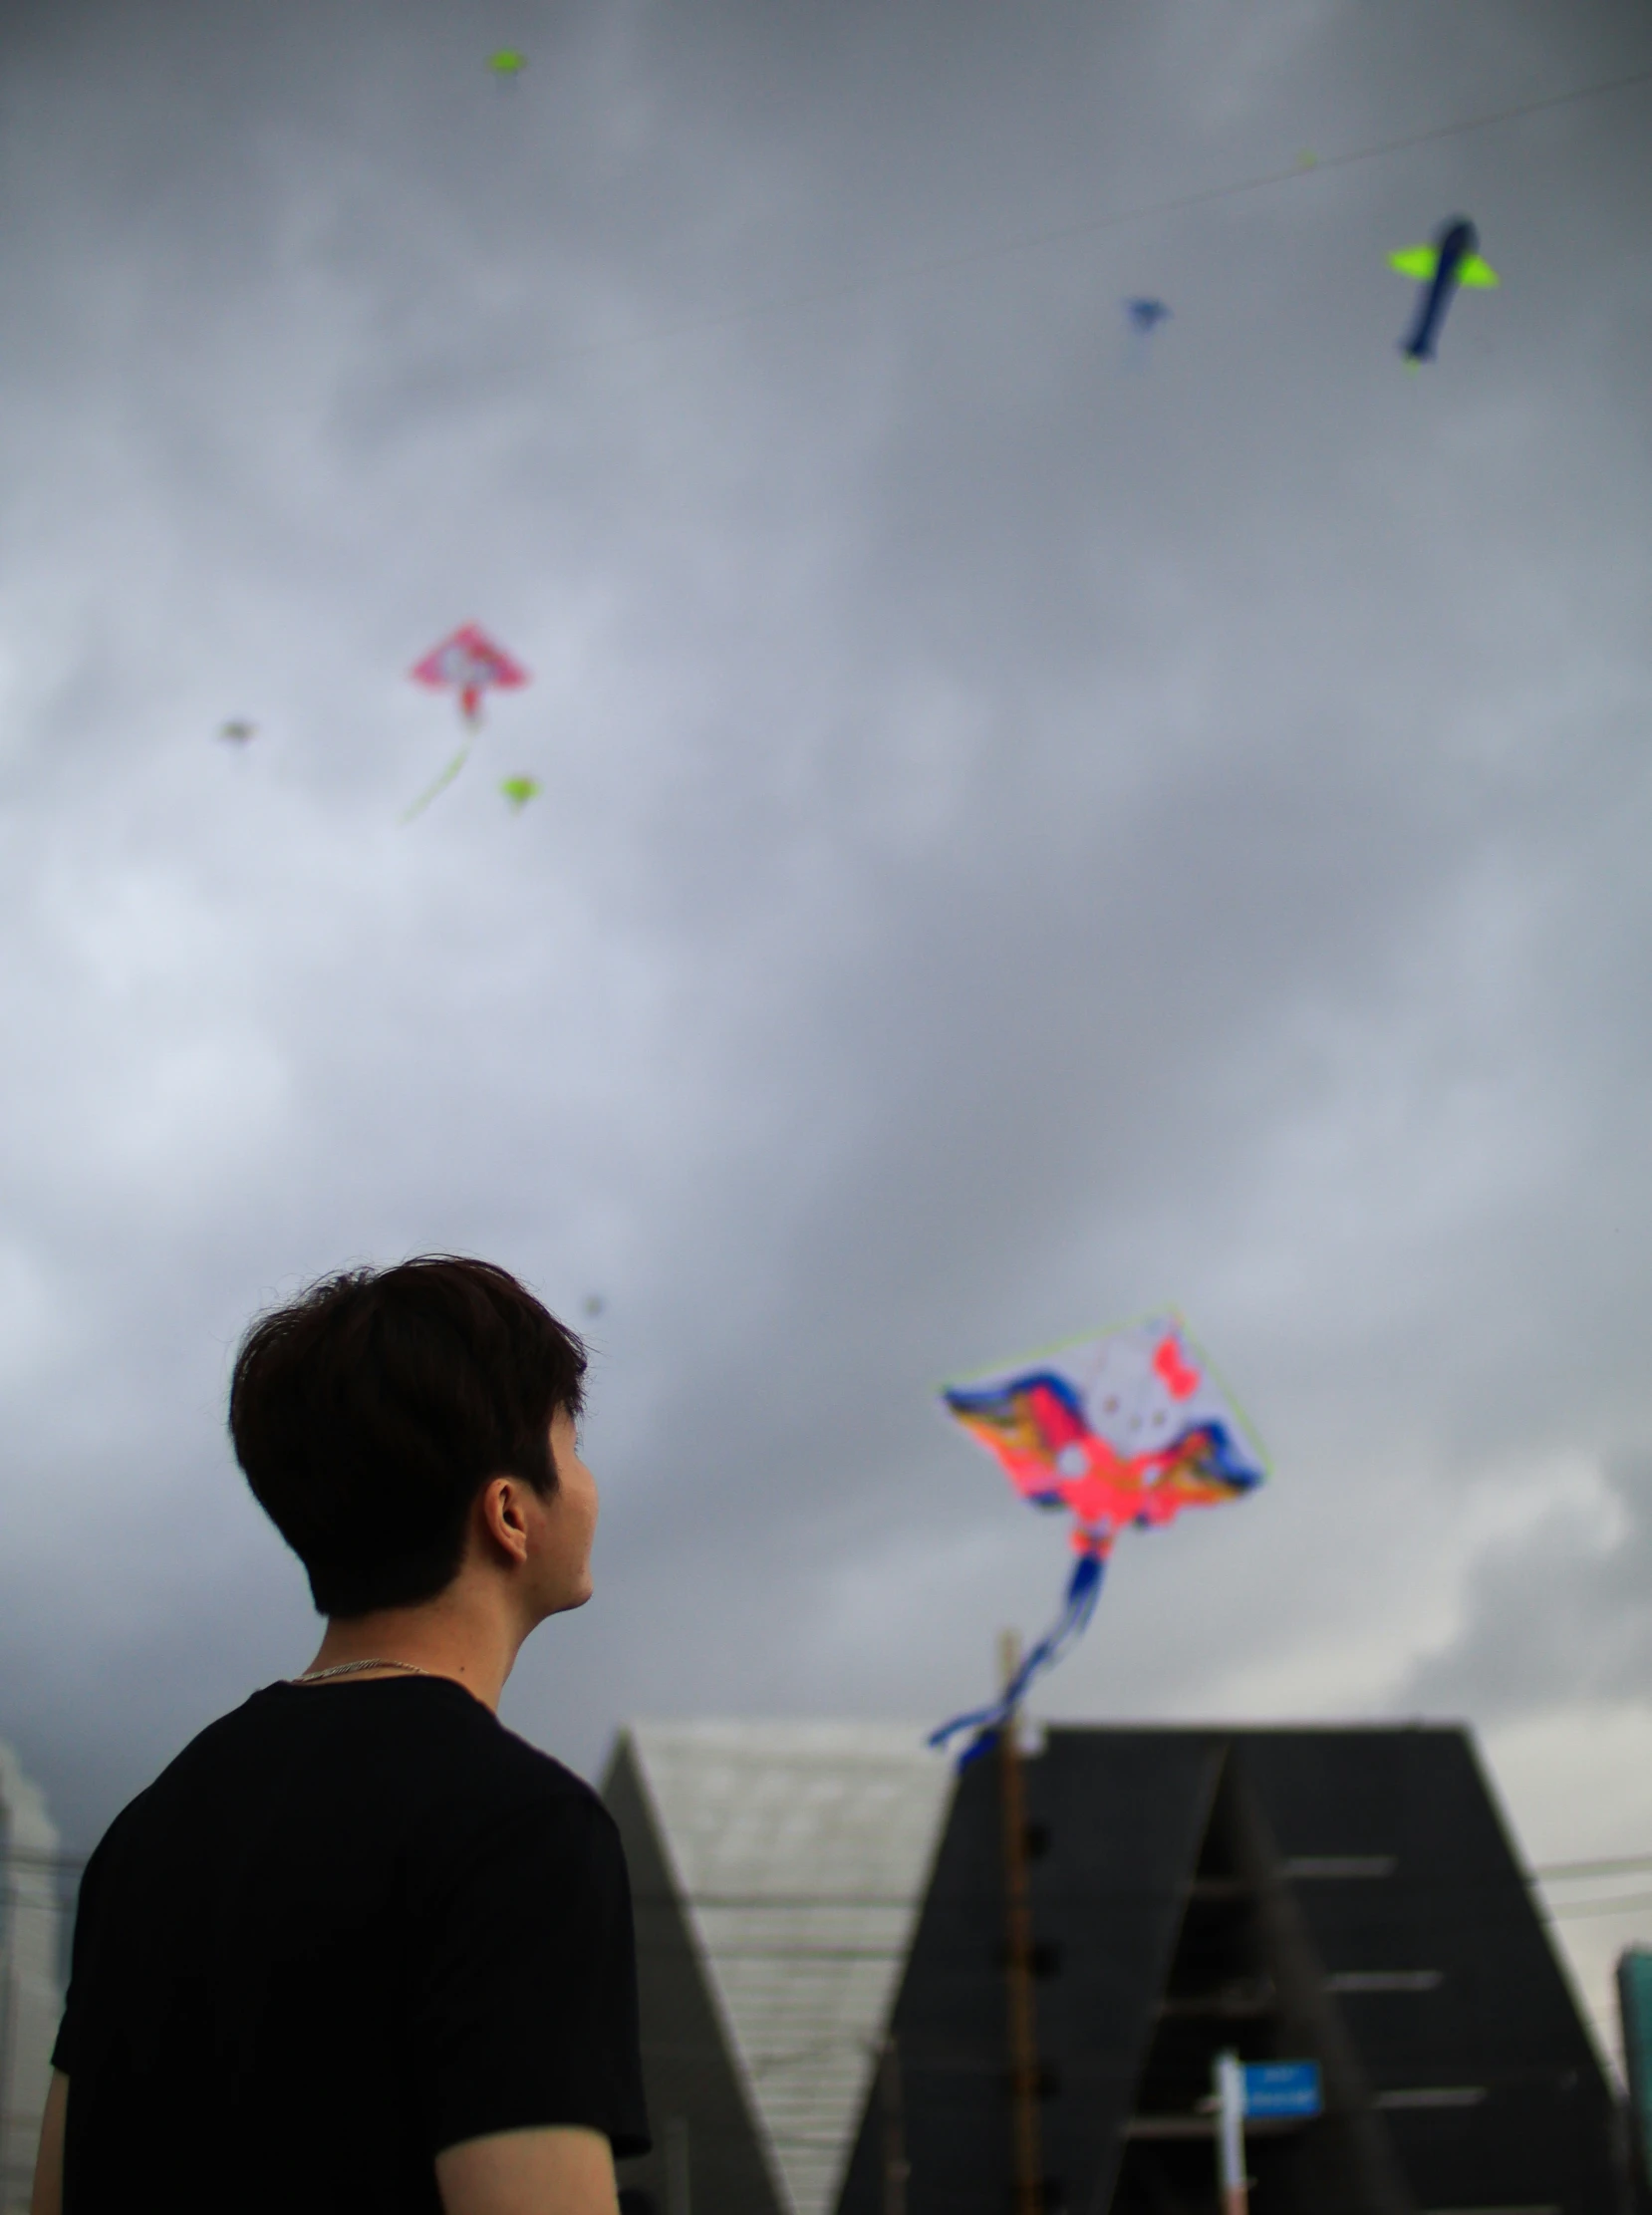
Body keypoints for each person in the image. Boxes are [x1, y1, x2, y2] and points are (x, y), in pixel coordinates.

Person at [32, 1256, 648, 2215]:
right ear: (510, 1514)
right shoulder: (522, 1833)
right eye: (571, 1446)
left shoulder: (147, 1830)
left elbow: (54, 2195)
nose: (591, 1480)